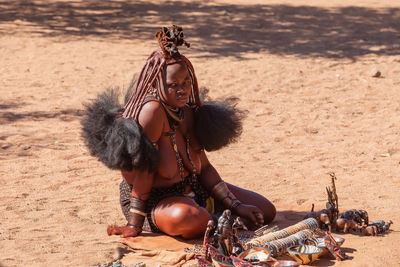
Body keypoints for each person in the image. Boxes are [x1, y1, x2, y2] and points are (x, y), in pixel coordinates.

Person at [81, 25, 276, 239]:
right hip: (155, 201)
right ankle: (215, 219)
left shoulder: (188, 111)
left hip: (195, 189)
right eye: (173, 85)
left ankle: (217, 217)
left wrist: (237, 205)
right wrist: (134, 224)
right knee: (190, 218)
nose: (182, 89)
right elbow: (144, 174)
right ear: (156, 85)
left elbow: (205, 166)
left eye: (186, 82)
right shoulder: (152, 112)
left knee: (265, 211)